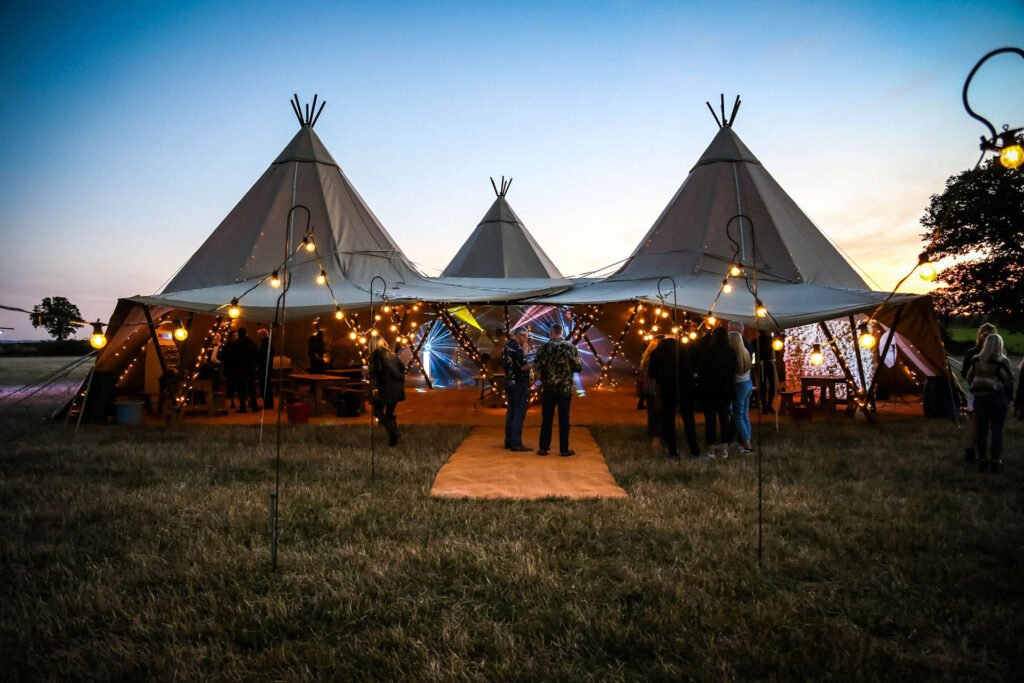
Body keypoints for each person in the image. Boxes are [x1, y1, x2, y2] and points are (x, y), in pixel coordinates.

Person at [648, 334, 701, 459]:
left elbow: (652, 372)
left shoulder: (656, 352)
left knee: (668, 418)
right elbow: (688, 368)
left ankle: (672, 450)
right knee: (688, 418)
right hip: (683, 388)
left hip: (666, 388)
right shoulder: (681, 349)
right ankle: (694, 448)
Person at [965, 333, 1013, 471]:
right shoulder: (1002, 361)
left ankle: (982, 459)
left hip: (980, 397)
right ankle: (995, 460)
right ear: (1000, 345)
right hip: (997, 397)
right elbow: (1007, 380)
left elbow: (969, 377)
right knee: (997, 430)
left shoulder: (976, 359)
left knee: (982, 429)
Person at [534, 323, 583, 456]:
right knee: (564, 419)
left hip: (549, 387)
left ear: (550, 333)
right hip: (565, 388)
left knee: (547, 418)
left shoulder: (544, 348)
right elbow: (579, 367)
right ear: (562, 333)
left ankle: (543, 448)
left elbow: (537, 367)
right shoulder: (570, 347)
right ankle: (564, 449)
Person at [696, 326, 736, 459]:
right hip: (726, 390)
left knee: (710, 420)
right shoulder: (731, 352)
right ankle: (725, 449)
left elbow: (701, 370)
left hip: (710, 390)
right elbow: (733, 371)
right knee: (725, 419)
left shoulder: (708, 352)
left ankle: (711, 450)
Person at [962, 323, 997, 462]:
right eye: (984, 335)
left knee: (990, 423)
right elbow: (965, 373)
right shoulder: (973, 353)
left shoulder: (999, 355)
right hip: (976, 391)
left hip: (993, 392)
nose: (986, 338)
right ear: (980, 336)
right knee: (975, 421)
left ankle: (987, 452)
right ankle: (970, 451)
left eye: (989, 336)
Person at [369, 337, 406, 447]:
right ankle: (393, 440)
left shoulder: (376, 354)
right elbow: (402, 367)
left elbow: (378, 369)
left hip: (386, 386)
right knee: (389, 412)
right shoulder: (392, 354)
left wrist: (370, 371)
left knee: (378, 411)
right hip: (398, 386)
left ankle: (393, 432)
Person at [501, 327, 532, 451]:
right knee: (519, 413)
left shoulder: (506, 347)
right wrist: (534, 364)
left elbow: (514, 362)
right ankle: (516, 443)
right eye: (526, 337)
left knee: (511, 411)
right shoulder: (517, 348)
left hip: (508, 382)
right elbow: (523, 366)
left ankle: (508, 441)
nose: (527, 340)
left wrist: (524, 351)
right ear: (522, 335)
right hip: (519, 383)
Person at [729, 331, 755, 454]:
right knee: (745, 415)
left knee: (738, 417)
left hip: (739, 386)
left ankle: (747, 445)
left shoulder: (733, 355)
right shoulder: (745, 353)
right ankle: (747, 440)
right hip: (748, 384)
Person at [640, 336, 664, 448]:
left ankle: (651, 431)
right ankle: (657, 436)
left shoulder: (647, 356)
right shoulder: (658, 356)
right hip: (657, 386)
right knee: (658, 411)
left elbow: (643, 369)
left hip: (649, 385)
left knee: (651, 410)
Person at [231, 327, 259, 413]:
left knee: (241, 389)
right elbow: (257, 355)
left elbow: (234, 357)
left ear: (239, 334)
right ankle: (254, 407)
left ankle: (243, 408)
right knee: (252, 388)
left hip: (240, 368)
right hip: (250, 368)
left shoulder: (236, 344)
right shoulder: (252, 343)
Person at [755, 330, 778, 413]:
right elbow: (776, 351)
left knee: (763, 386)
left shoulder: (756, 341)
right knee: (770, 386)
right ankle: (766, 406)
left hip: (764, 364)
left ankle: (766, 406)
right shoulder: (769, 340)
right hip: (765, 363)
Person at [256, 328, 274, 410]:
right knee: (267, 386)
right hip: (267, 368)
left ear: (263, 335)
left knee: (265, 386)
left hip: (264, 368)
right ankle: (269, 403)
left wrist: (257, 364)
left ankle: (267, 404)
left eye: (259, 335)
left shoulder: (265, 344)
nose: (257, 337)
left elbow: (262, 357)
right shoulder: (268, 343)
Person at [221, 329, 239, 409]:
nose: (236, 337)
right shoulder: (226, 347)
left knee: (239, 386)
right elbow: (223, 357)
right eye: (235, 336)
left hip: (236, 369)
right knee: (231, 386)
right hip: (230, 369)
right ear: (230, 337)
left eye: (237, 335)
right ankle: (232, 401)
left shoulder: (238, 345)